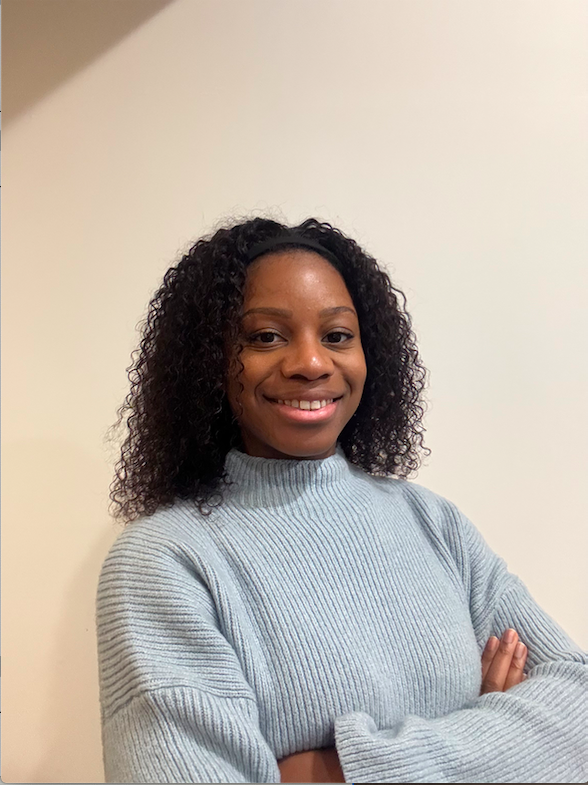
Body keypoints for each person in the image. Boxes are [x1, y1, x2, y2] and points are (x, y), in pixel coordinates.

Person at [97, 217, 586, 783]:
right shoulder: (164, 562)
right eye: (265, 336)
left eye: (336, 336)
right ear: (210, 360)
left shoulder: (431, 522)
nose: (311, 362)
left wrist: (334, 770)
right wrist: (500, 735)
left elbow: (580, 701)